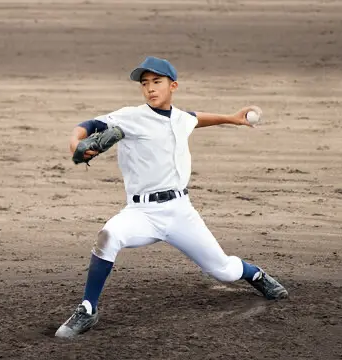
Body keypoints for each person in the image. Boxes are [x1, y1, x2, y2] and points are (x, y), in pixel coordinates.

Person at [55, 56, 288, 338]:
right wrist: (75, 144)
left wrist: (232, 119)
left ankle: (256, 275)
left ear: (173, 85)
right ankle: (87, 309)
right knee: (108, 236)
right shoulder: (130, 117)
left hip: (180, 214)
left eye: (157, 82)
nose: (150, 88)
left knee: (224, 270)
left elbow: (194, 119)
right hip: (140, 214)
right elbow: (87, 125)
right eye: (145, 84)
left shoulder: (180, 118)